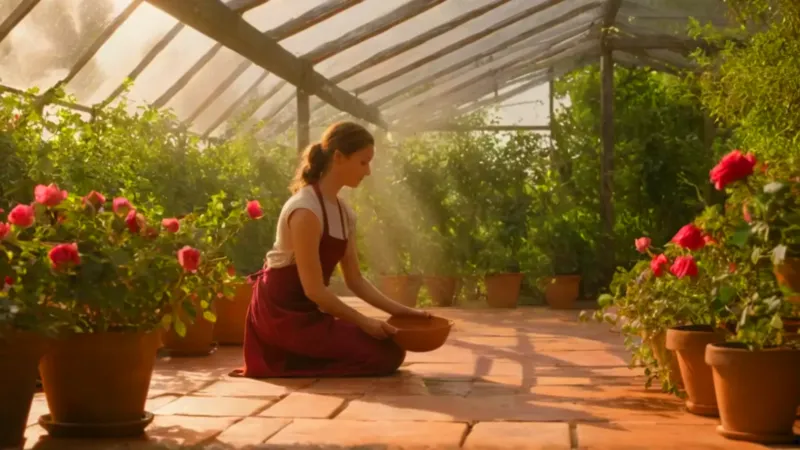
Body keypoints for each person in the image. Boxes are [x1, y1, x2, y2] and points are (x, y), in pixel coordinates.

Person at [237, 121, 428, 378]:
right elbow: (314, 290)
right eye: (363, 162)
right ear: (338, 157)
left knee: (390, 349)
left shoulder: (344, 212)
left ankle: (306, 354)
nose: (368, 171)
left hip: (310, 313)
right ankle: (288, 355)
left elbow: (356, 280)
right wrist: (365, 322)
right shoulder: (306, 210)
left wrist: (405, 312)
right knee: (383, 356)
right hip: (281, 316)